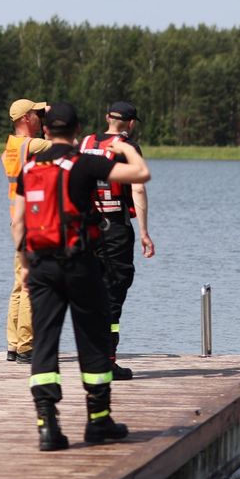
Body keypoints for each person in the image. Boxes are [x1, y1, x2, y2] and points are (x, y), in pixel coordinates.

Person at [12, 103, 151, 451]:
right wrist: (121, 147)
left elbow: (19, 221)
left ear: (46, 131)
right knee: (92, 337)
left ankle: (47, 425)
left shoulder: (29, 167)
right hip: (79, 264)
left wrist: (26, 264)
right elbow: (140, 174)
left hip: (40, 265)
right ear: (76, 132)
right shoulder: (84, 163)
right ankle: (98, 420)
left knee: (46, 341)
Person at [78, 101, 156, 380]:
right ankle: (106, 361)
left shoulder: (85, 143)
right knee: (113, 294)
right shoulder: (128, 148)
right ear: (131, 124)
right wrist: (144, 232)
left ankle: (91, 357)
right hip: (115, 229)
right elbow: (138, 189)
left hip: (85, 228)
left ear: (107, 118)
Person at [1, 98, 51, 364]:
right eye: (36, 113)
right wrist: (55, 121)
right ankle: (26, 346)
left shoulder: (10, 146)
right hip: (32, 222)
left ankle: (13, 344)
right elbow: (67, 145)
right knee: (31, 283)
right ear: (25, 118)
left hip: (17, 221)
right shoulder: (32, 145)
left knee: (20, 283)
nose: (40, 117)